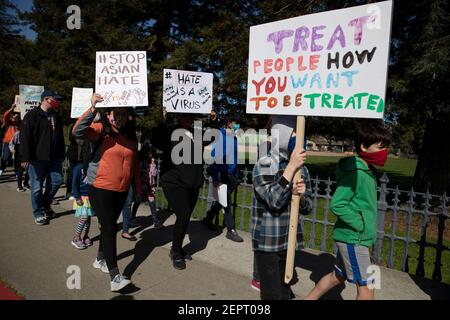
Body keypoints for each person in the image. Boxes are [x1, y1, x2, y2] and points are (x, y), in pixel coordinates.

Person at [304, 120, 390, 301]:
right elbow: (338, 203)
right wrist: (360, 224)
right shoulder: (356, 172)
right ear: (364, 147)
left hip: (355, 237)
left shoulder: (366, 170)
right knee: (367, 289)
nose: (384, 152)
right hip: (354, 238)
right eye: (380, 147)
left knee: (337, 277)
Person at [73, 93, 141, 292]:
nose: (118, 119)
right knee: (110, 227)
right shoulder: (100, 130)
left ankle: (100, 259)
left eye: (122, 115)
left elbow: (135, 165)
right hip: (100, 189)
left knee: (107, 227)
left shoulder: (130, 138)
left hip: (121, 191)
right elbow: (77, 131)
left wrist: (137, 188)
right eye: (115, 115)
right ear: (109, 115)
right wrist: (93, 108)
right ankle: (115, 275)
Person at [251, 115, 312, 300]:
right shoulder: (263, 164)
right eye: (294, 132)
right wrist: (290, 168)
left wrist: (301, 197)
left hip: (289, 241)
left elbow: (308, 207)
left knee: (284, 293)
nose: (298, 138)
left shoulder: (303, 169)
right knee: (271, 295)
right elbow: (274, 200)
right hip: (268, 243)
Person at [154, 112, 205, 270]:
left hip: (193, 181)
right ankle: (176, 252)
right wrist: (161, 121)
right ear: (178, 117)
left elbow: (211, 139)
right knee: (183, 215)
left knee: (186, 217)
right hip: (174, 181)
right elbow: (157, 141)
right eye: (185, 116)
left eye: (191, 117)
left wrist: (213, 120)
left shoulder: (197, 133)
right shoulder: (170, 131)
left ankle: (178, 247)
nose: (189, 119)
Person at [20, 90, 66, 225]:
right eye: (55, 99)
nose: (57, 102)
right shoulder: (32, 115)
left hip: (55, 157)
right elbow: (25, 137)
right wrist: (25, 157)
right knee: (37, 187)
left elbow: (60, 138)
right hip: (37, 158)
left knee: (57, 181)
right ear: (46, 99)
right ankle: (38, 212)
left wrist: (61, 154)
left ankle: (45, 205)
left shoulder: (56, 116)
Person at [202, 115, 243, 242]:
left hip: (231, 175)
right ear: (229, 124)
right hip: (222, 174)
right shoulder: (221, 137)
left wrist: (236, 173)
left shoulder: (234, 138)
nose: (238, 126)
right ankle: (231, 230)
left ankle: (208, 219)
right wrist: (215, 178)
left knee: (222, 201)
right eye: (237, 124)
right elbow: (215, 159)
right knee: (227, 203)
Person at [71, 160, 94, 250]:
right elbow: (74, 183)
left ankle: (86, 236)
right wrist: (77, 197)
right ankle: (76, 238)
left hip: (91, 197)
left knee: (88, 219)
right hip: (82, 197)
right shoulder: (78, 168)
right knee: (84, 218)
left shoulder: (94, 166)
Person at [1, 104, 21, 176]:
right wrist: (11, 108)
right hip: (7, 142)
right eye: (13, 116)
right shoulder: (9, 123)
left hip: (17, 143)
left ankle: (17, 171)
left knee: (17, 158)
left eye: (17, 117)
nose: (15, 118)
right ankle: (1, 170)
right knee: (5, 157)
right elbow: (5, 116)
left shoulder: (21, 124)